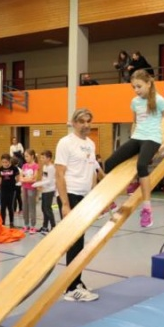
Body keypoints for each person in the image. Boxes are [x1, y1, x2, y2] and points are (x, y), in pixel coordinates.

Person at [104, 70, 164, 228]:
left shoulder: (159, 101)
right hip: (137, 137)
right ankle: (111, 202)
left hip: (152, 139)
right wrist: (131, 138)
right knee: (108, 163)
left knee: (141, 165)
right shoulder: (135, 102)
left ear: (148, 84)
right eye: (134, 87)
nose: (136, 90)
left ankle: (147, 209)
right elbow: (135, 122)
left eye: (139, 86)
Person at [55, 108, 100, 302]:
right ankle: (71, 289)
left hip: (84, 197)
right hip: (70, 195)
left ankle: (76, 281)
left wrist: (94, 197)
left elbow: (92, 172)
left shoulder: (90, 144)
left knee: (80, 243)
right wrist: (65, 204)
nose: (85, 125)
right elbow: (59, 174)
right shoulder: (65, 143)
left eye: (88, 121)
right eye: (81, 121)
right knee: (74, 242)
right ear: (73, 123)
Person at [33, 150, 56, 234]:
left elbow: (49, 180)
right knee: (43, 208)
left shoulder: (51, 168)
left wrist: (38, 184)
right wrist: (41, 185)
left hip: (49, 190)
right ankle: (45, 226)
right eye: (41, 157)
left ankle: (53, 226)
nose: (41, 159)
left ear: (49, 158)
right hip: (44, 190)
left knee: (47, 209)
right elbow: (44, 178)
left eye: (43, 158)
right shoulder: (44, 166)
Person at [20, 149, 39, 234]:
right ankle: (26, 224)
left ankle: (32, 226)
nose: (25, 158)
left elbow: (34, 179)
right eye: (25, 156)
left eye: (27, 156)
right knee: (25, 207)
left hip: (32, 189)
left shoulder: (35, 166)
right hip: (24, 188)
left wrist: (25, 179)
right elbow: (21, 177)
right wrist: (27, 179)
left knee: (32, 207)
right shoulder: (24, 166)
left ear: (32, 156)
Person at [0, 153, 19, 228]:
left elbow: (17, 178)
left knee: (10, 207)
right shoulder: (0, 169)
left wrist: (14, 183)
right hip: (3, 190)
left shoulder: (14, 168)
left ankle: (11, 222)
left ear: (9, 161)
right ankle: (2, 223)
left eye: (6, 162)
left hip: (11, 190)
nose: (4, 164)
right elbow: (1, 179)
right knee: (2, 207)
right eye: (3, 162)